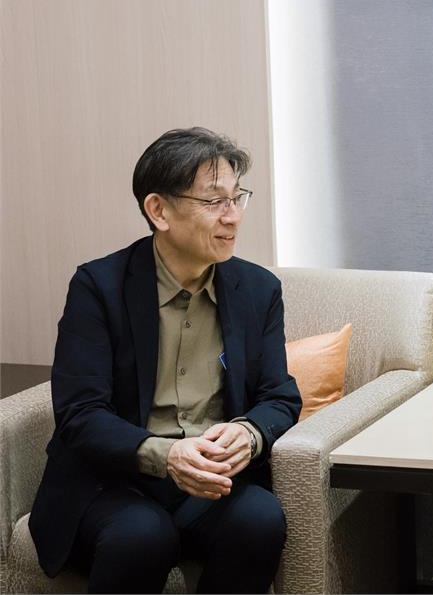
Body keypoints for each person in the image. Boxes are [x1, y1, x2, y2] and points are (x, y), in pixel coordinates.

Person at [29, 128, 302, 593]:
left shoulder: (258, 290)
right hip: (116, 481)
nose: (233, 216)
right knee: (142, 536)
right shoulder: (99, 287)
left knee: (260, 519)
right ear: (159, 210)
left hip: (212, 482)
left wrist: (249, 433)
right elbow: (80, 413)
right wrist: (167, 454)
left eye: (238, 198)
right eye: (214, 201)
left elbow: (279, 396)